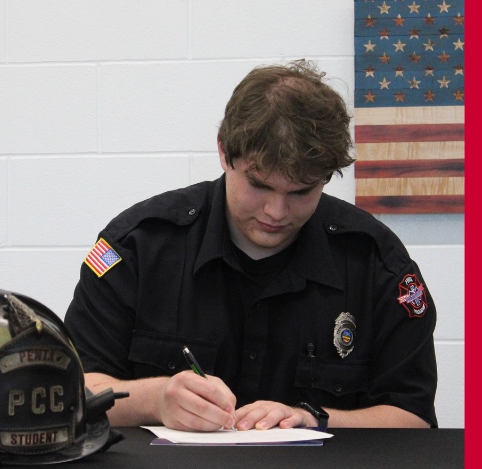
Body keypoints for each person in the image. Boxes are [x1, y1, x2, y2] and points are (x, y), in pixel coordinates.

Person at [65, 61, 437, 432]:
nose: (276, 212)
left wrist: (313, 419)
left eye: (301, 192)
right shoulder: (138, 246)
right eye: (259, 185)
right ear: (225, 152)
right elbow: (71, 394)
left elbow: (414, 419)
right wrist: (157, 399)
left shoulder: (374, 263)